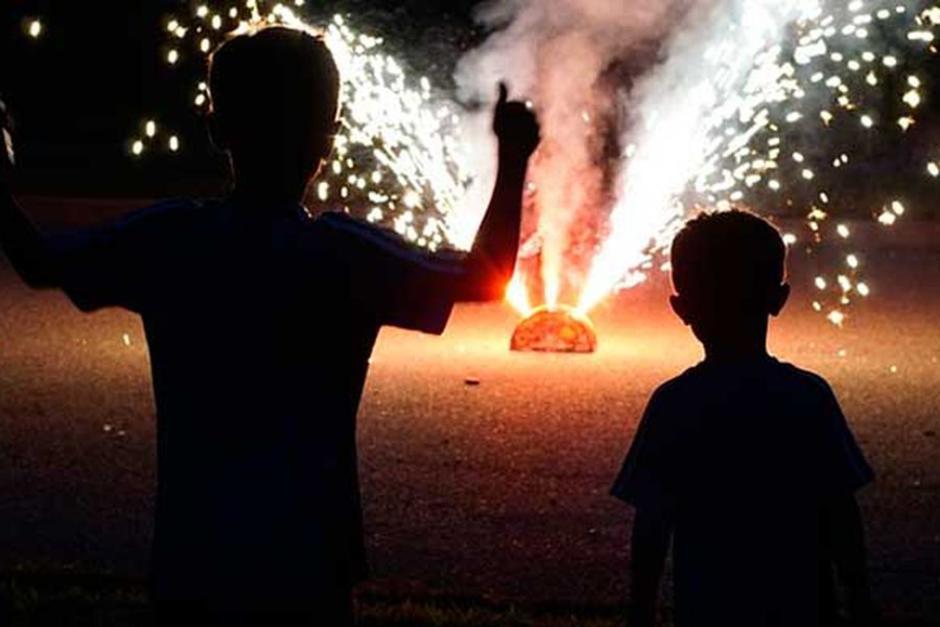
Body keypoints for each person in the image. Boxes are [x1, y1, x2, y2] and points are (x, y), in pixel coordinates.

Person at [0, 26, 540, 626]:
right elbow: (486, 279)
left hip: (195, 558)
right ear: (328, 142)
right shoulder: (344, 254)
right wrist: (513, 162)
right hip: (307, 562)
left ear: (216, 130)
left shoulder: (171, 241)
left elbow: (37, 260)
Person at [611, 210, 876, 627]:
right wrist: (859, 597)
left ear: (681, 308)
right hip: (801, 606)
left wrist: (640, 611)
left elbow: (652, 522)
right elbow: (840, 510)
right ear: (779, 298)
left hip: (709, 607)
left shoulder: (674, 403)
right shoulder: (808, 396)